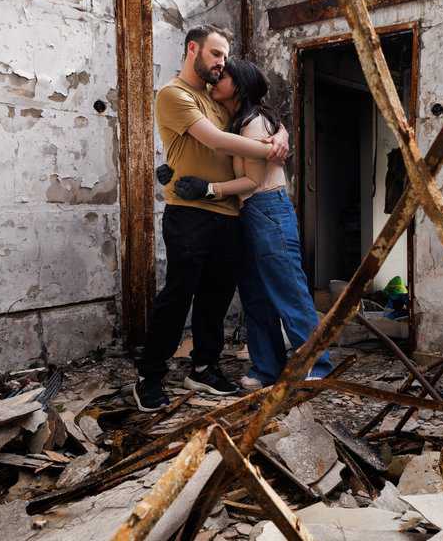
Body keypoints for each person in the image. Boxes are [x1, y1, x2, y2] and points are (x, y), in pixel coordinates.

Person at [134, 25, 291, 412]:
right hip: (189, 213)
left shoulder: (216, 95)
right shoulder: (174, 94)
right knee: (178, 295)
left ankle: (204, 367)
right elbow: (216, 140)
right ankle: (149, 376)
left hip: (228, 211)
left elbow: (253, 112)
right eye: (216, 54)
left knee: (215, 297)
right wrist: (269, 148)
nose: (222, 63)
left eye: (224, 56)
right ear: (193, 49)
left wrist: (281, 134)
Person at [170, 57, 333, 390]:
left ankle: (317, 365)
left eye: (223, 76)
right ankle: (267, 368)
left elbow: (252, 180)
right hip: (246, 211)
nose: (215, 81)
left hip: (267, 208)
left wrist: (209, 189)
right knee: (255, 295)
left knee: (288, 290)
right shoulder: (234, 120)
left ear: (239, 85)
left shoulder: (253, 122)